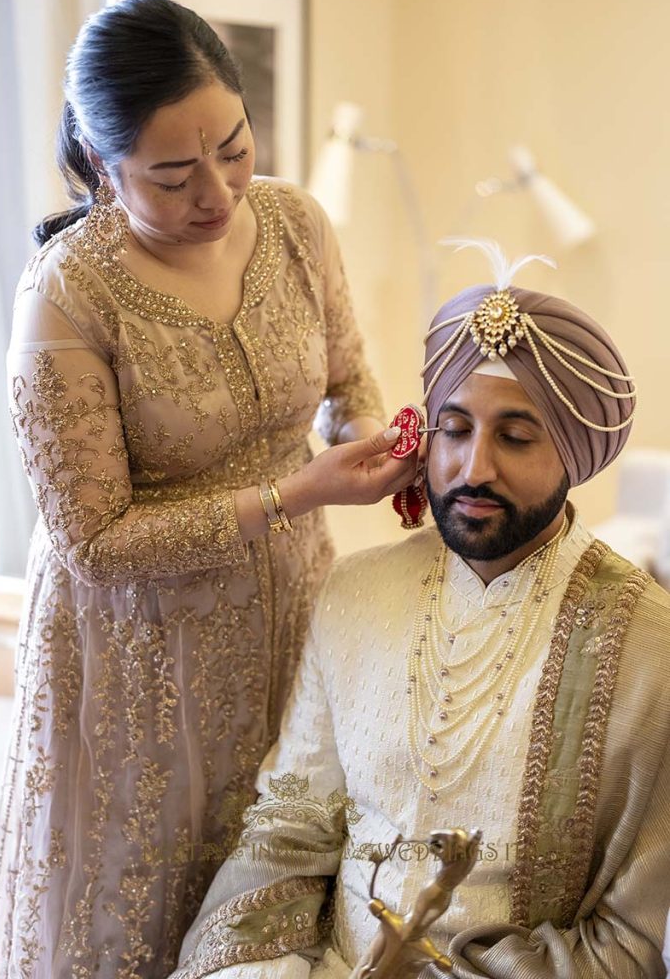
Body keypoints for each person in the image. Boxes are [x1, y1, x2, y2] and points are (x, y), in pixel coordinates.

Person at [0, 0, 419, 979]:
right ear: (103, 164)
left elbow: (345, 377)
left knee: (267, 914)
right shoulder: (65, 293)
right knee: (141, 918)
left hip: (290, 625)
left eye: (232, 146)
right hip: (140, 662)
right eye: (174, 174)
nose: (217, 192)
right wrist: (292, 496)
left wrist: (371, 438)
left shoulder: (298, 226)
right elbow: (92, 542)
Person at [170, 240, 670, 979]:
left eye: (516, 436)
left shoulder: (647, 647)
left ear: (573, 453)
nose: (474, 468)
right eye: (455, 429)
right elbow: (288, 824)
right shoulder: (356, 592)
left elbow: (629, 938)